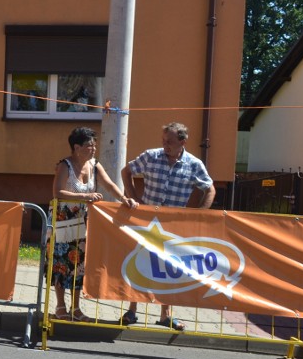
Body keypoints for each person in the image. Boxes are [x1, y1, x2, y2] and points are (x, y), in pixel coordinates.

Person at [120, 121, 215, 331]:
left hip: (173, 225)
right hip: (147, 220)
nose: (165, 146)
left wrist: (199, 215)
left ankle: (166, 315)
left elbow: (210, 189)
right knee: (140, 260)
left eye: (170, 142)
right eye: (163, 141)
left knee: (169, 267)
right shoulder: (151, 156)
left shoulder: (194, 164)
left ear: (183, 142)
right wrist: (135, 199)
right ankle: (132, 309)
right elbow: (126, 171)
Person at [49, 127, 136, 322]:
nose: (94, 148)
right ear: (77, 147)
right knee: (62, 263)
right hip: (65, 219)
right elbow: (58, 192)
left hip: (85, 220)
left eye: (95, 145)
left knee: (81, 265)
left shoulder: (95, 165)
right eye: (90, 145)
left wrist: (124, 198)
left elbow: (109, 184)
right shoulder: (65, 165)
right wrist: (85, 196)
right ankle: (61, 306)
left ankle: (77, 308)